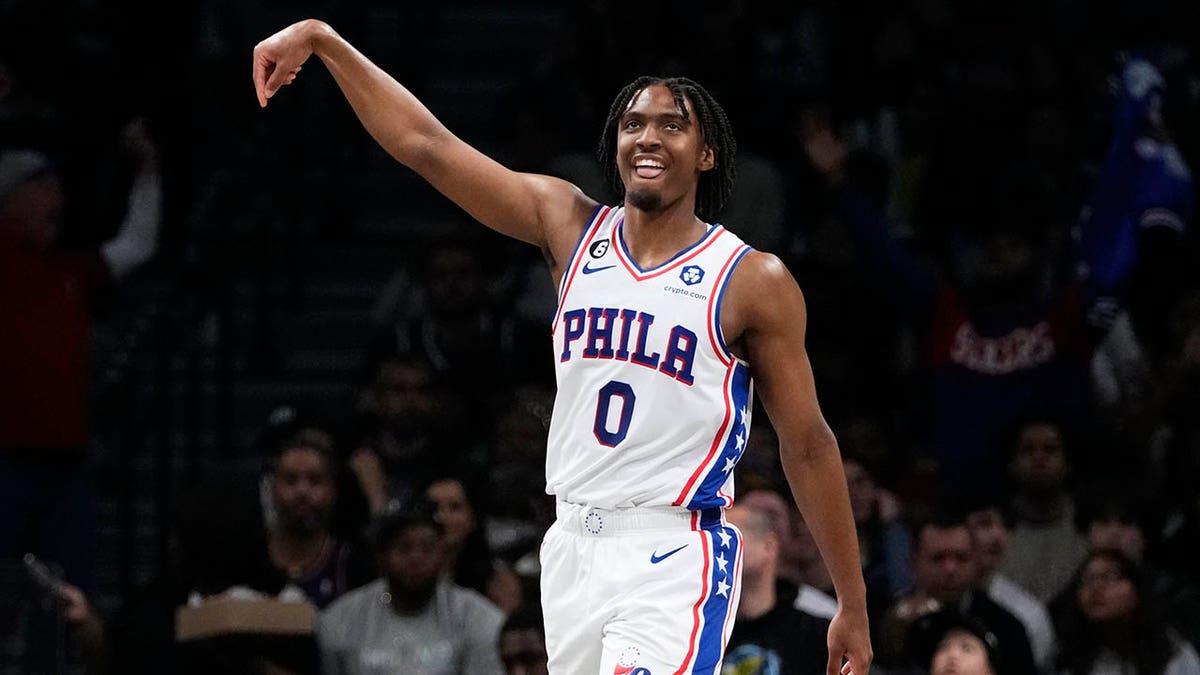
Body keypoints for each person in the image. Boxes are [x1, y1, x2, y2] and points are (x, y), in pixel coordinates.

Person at [253, 18, 872, 675]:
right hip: (572, 546)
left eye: (672, 124)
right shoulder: (569, 226)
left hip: (672, 548)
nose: (648, 136)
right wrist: (325, 41)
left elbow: (808, 443)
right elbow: (425, 146)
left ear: (708, 152)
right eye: (634, 123)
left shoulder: (751, 279)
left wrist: (851, 601)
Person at [316, 500, 507, 675]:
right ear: (382, 556)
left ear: (442, 554)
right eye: (403, 547)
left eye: (427, 548)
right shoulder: (342, 619)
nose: (416, 558)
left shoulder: (477, 617)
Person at [877, 513, 1037, 675]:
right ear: (914, 562)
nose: (950, 569)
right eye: (938, 558)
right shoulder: (884, 617)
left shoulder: (1006, 628)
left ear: (976, 561)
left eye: (961, 558)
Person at [264, 426, 373, 609]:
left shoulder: (353, 567)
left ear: (332, 490)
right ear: (273, 489)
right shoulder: (245, 562)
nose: (302, 492)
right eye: (291, 480)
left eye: (315, 480)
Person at [722, 500, 830, 675]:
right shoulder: (700, 626)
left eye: (729, 538)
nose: (715, 551)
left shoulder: (815, 631)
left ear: (768, 546)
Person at [1052, 549, 1200, 675]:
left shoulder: (1172, 653)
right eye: (1086, 580)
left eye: (1110, 577)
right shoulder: (1066, 658)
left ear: (1137, 591)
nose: (1095, 588)